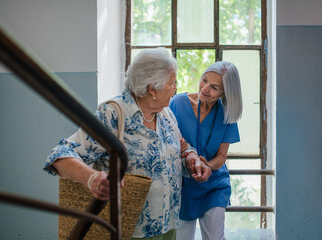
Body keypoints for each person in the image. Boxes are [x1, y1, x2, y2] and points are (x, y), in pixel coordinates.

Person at [43, 47, 211, 240]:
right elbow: (60, 154)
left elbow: (178, 151)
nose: (176, 88)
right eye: (172, 83)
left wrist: (191, 160)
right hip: (129, 230)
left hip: (168, 225)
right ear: (152, 88)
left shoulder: (166, 115)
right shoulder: (113, 114)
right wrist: (92, 178)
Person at [169, 61, 243, 240]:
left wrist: (207, 166)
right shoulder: (177, 103)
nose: (205, 88)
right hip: (183, 185)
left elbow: (221, 156)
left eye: (214, 87)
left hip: (214, 184)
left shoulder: (227, 113)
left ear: (225, 93)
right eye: (204, 80)